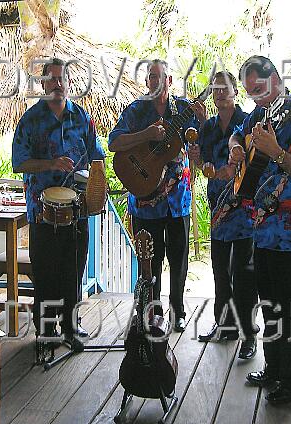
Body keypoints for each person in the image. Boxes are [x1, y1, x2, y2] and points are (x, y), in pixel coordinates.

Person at [229, 55, 291, 404]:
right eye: (251, 93)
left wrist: (275, 151)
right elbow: (239, 133)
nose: (257, 97)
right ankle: (274, 369)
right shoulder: (259, 115)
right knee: (270, 308)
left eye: (261, 89)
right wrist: (238, 149)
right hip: (263, 231)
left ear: (277, 78)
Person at [12, 57, 105, 350]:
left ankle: (70, 326)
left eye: (61, 78)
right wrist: (51, 163)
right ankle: (46, 332)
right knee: (46, 272)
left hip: (76, 211)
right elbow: (18, 163)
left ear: (68, 82)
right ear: (42, 84)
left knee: (73, 269)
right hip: (43, 212)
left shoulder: (82, 118)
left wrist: (97, 186)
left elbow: (97, 156)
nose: (57, 84)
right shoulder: (30, 120)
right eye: (51, 79)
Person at [109, 59, 205, 332]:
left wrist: (203, 120)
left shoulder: (184, 109)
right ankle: (152, 314)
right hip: (145, 201)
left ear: (170, 81)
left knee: (179, 259)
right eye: (151, 77)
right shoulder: (136, 111)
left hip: (178, 201)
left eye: (160, 77)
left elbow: (203, 144)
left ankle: (178, 311)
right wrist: (146, 134)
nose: (155, 82)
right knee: (149, 260)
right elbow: (114, 141)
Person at [187, 70, 258, 359]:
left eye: (224, 88)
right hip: (217, 208)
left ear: (235, 91)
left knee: (244, 275)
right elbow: (203, 162)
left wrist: (235, 171)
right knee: (220, 273)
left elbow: (257, 163)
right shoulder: (208, 126)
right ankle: (224, 325)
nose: (218, 93)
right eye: (214, 88)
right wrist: (198, 160)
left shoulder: (248, 122)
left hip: (243, 210)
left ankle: (248, 334)